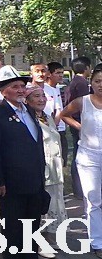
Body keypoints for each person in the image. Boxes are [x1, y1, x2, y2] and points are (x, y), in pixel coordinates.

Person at [0, 65, 46, 259]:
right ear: (3, 91)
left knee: (32, 229)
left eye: (22, 86)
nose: (20, 90)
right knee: (14, 232)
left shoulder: (28, 109)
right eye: (15, 86)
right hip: (11, 184)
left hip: (35, 181)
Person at [60, 68, 102, 258]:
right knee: (93, 199)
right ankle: (97, 241)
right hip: (89, 157)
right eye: (98, 81)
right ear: (91, 83)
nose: (101, 85)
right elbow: (64, 114)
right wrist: (79, 126)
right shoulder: (82, 101)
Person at [24, 85, 67, 258]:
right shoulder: (27, 119)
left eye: (43, 96)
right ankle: (39, 242)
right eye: (36, 96)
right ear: (27, 100)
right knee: (42, 206)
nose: (41, 99)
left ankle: (51, 237)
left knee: (55, 203)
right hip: (41, 168)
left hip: (55, 167)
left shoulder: (47, 117)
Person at [65, 56, 92, 199]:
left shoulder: (73, 82)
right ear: (87, 67)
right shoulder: (81, 83)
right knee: (80, 156)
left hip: (76, 123)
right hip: (80, 124)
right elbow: (85, 107)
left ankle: (78, 189)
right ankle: (80, 190)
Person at [47, 62, 69, 166]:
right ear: (49, 74)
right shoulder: (45, 89)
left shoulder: (57, 88)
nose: (60, 75)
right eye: (57, 73)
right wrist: (53, 127)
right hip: (52, 129)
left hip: (61, 128)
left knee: (63, 158)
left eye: (62, 73)